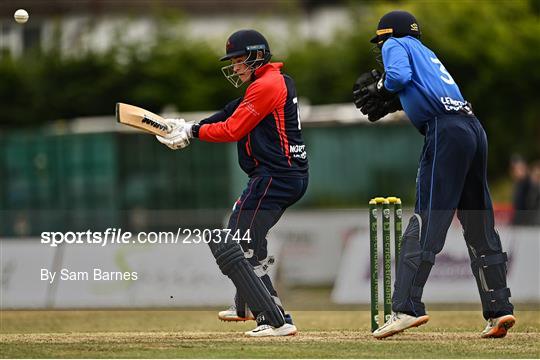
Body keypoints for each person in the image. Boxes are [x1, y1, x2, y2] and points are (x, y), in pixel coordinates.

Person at [353, 10, 515, 339]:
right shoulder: (427, 53)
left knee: (427, 219)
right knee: (479, 225)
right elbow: (422, 91)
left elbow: (397, 76)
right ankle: (500, 309)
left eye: (380, 41)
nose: (381, 50)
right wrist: (396, 102)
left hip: (445, 131)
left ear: (388, 35)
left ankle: (405, 308)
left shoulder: (395, 44)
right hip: (473, 127)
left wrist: (384, 87)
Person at [156, 29, 308, 337]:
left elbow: (233, 128)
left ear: (257, 56)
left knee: (241, 240)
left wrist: (193, 133)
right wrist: (188, 125)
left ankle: (274, 319)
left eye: (239, 60)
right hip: (279, 175)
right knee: (245, 235)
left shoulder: (266, 85)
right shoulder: (271, 81)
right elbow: (229, 112)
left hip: (275, 176)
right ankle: (247, 303)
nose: (235, 67)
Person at [509, 155, 532, 225]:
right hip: (518, 221)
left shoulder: (529, 184)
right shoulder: (518, 184)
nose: (518, 172)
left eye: (521, 169)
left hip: (526, 222)